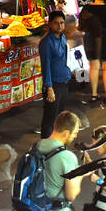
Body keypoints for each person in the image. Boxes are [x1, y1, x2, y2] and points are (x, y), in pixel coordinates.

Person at [35, 111, 83, 211]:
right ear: (66, 133)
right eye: (75, 133)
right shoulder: (67, 157)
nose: (76, 136)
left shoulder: (38, 145)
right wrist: (80, 176)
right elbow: (71, 195)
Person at [38, 10, 71, 140]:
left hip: (64, 82)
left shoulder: (62, 37)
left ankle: (55, 143)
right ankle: (45, 145)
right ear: (49, 24)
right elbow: (45, 66)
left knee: (59, 117)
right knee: (49, 120)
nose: (60, 26)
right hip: (53, 85)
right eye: (56, 23)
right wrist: (49, 88)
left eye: (62, 23)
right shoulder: (46, 42)